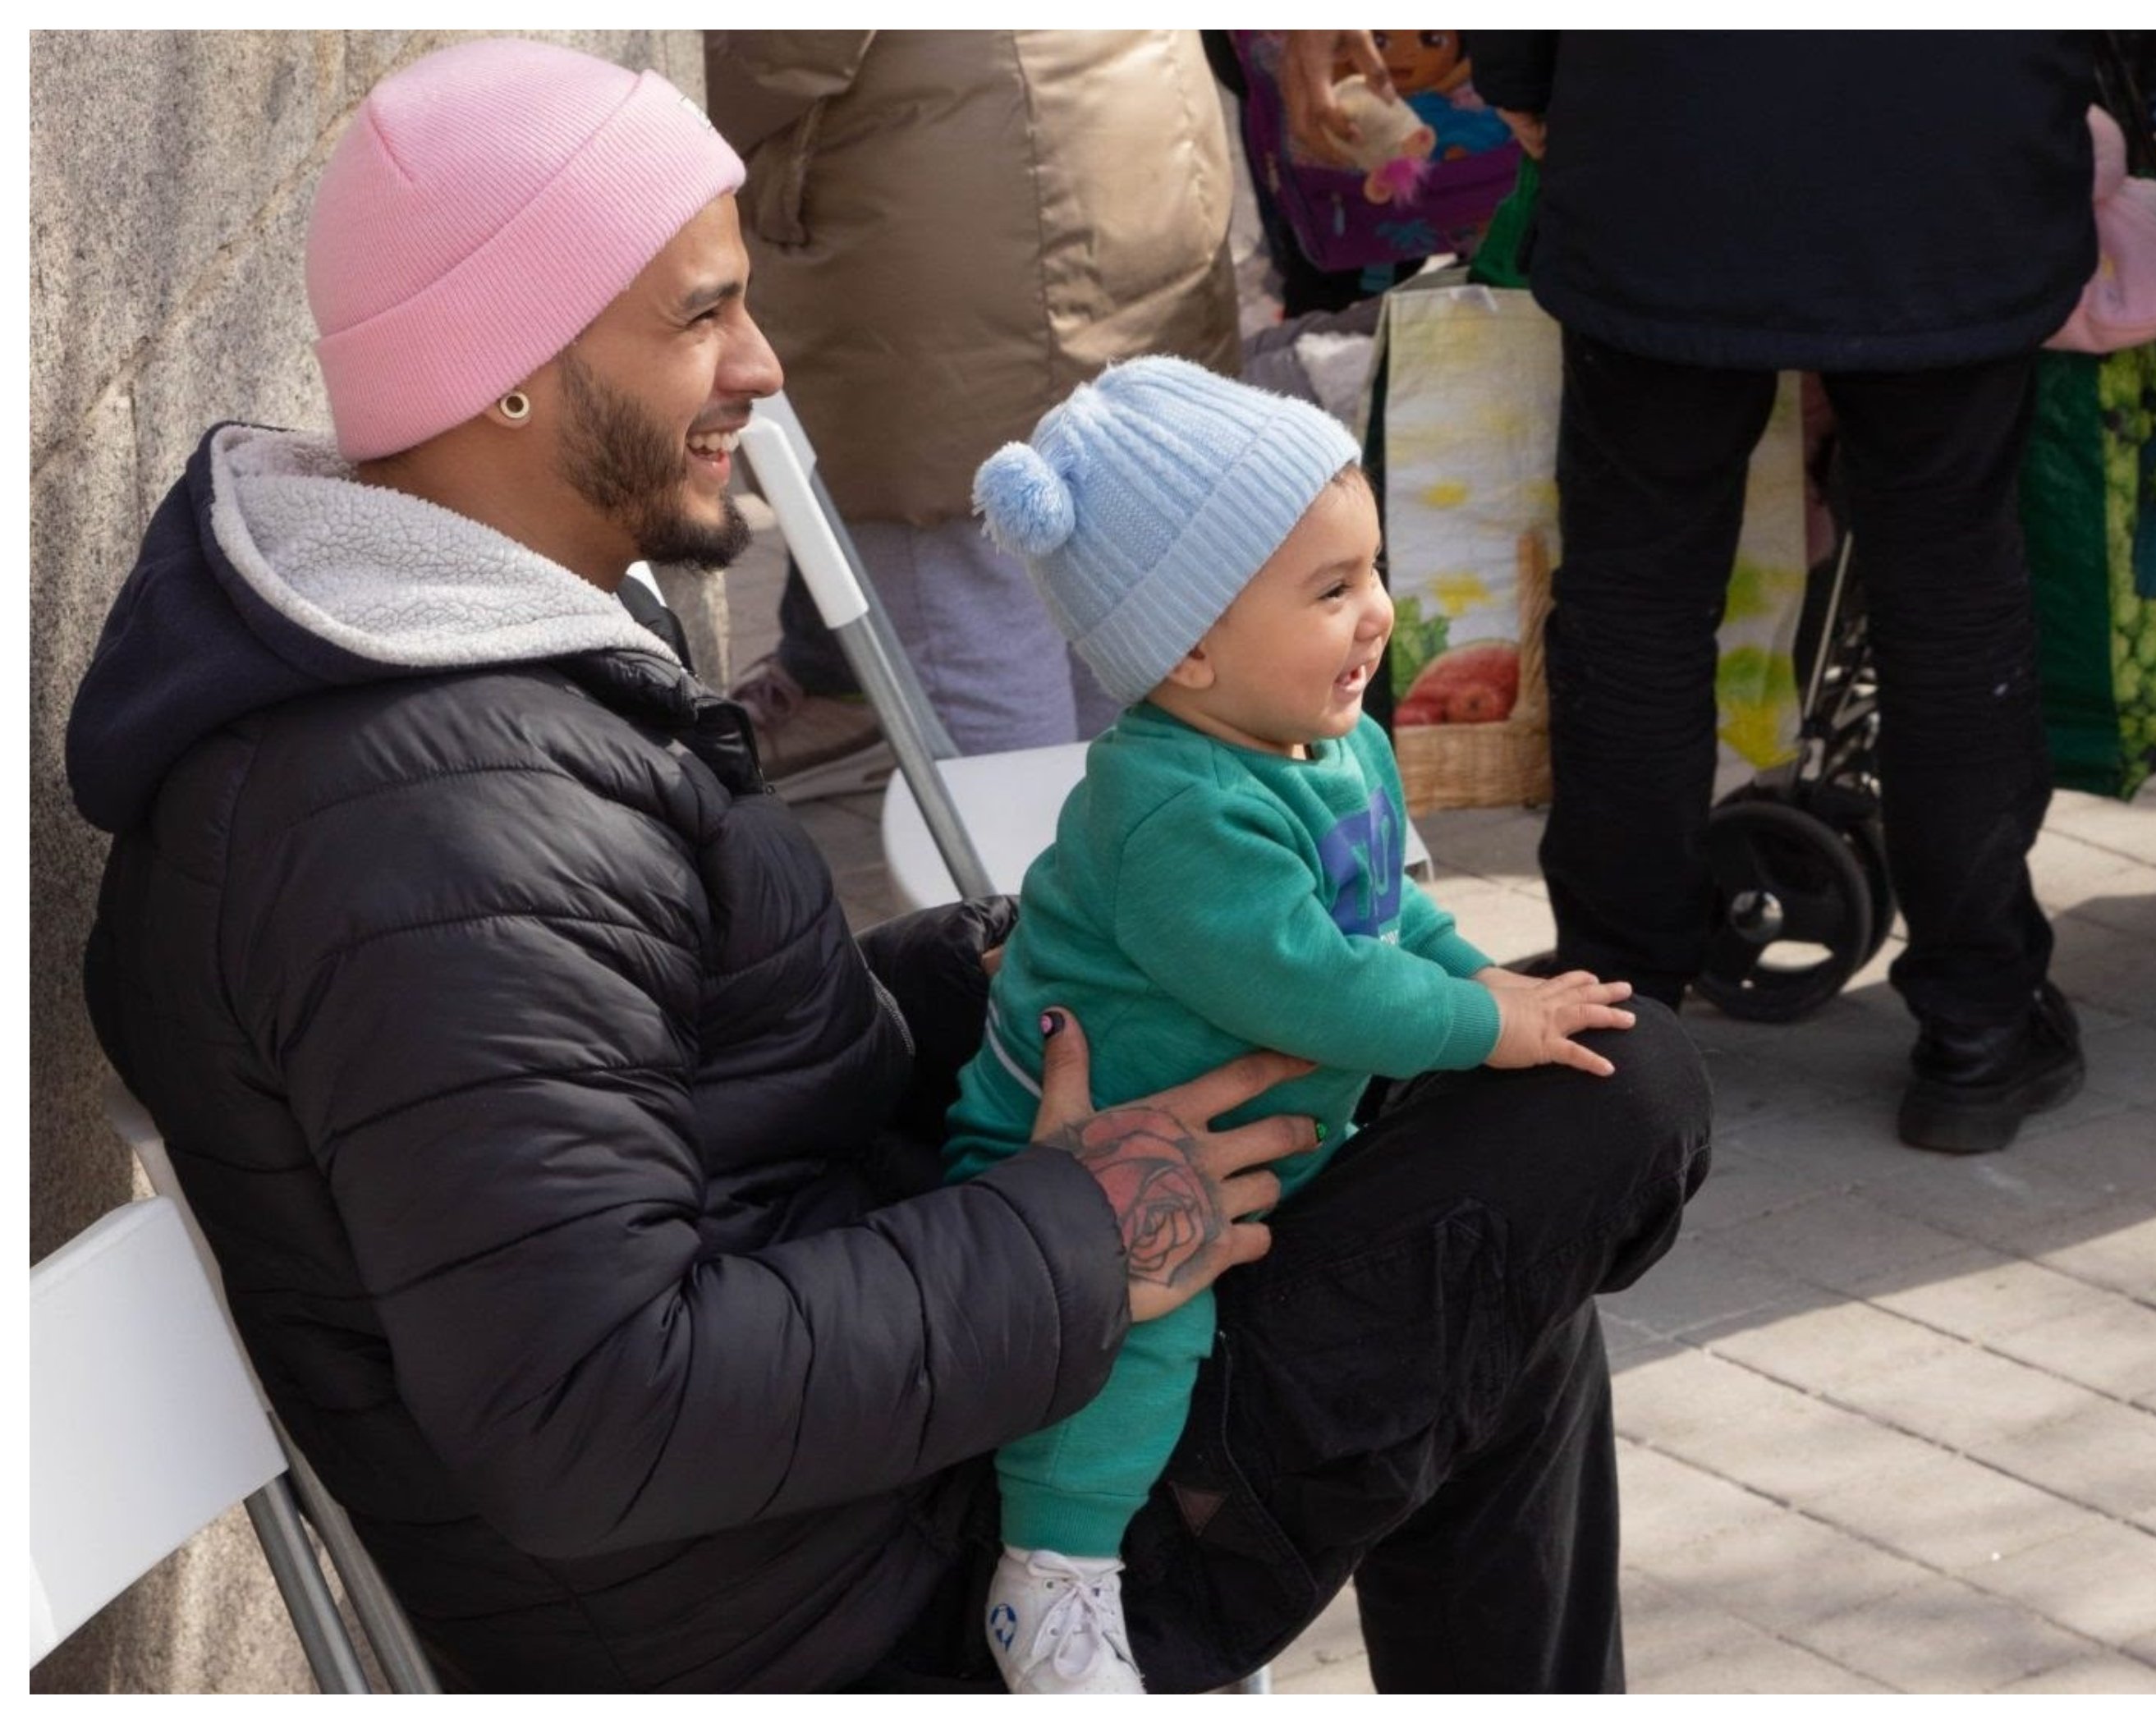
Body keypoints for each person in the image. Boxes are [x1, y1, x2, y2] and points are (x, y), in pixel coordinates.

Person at [65, 39, 1710, 1693]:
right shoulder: (414, 832)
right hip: (867, 1609)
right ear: (512, 366)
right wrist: (1083, 1237)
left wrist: (983, 972)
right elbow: (590, 1412)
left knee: (1497, 1229)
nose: (762, 366)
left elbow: (662, 1085)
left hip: (890, 1460)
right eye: (701, 313)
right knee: (1601, 1115)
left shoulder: (452, 720)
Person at [944, 359, 1639, 1692]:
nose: (1375, 614)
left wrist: (1489, 986)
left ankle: (1179, 1600)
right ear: (1186, 646)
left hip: (1252, 1152)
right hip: (1086, 1161)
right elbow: (1316, 988)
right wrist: (1480, 1031)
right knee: (1141, 1340)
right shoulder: (1176, 805)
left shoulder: (1329, 745)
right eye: (1329, 591)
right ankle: (1059, 1582)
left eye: (1370, 570)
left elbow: (1381, 918)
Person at [1452, 30, 2101, 1153]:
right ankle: (1979, 1021)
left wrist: (1520, 71)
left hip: (1673, 130)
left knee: (1638, 590)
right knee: (1948, 585)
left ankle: (1616, 1009)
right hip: (1955, 139)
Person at [704, 30, 1243, 792]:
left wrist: (660, 85)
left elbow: (780, 46)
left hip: (943, 206)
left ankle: (1027, 898)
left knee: (970, 612)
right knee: (1115, 604)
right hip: (1130, 145)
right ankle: (1138, 884)